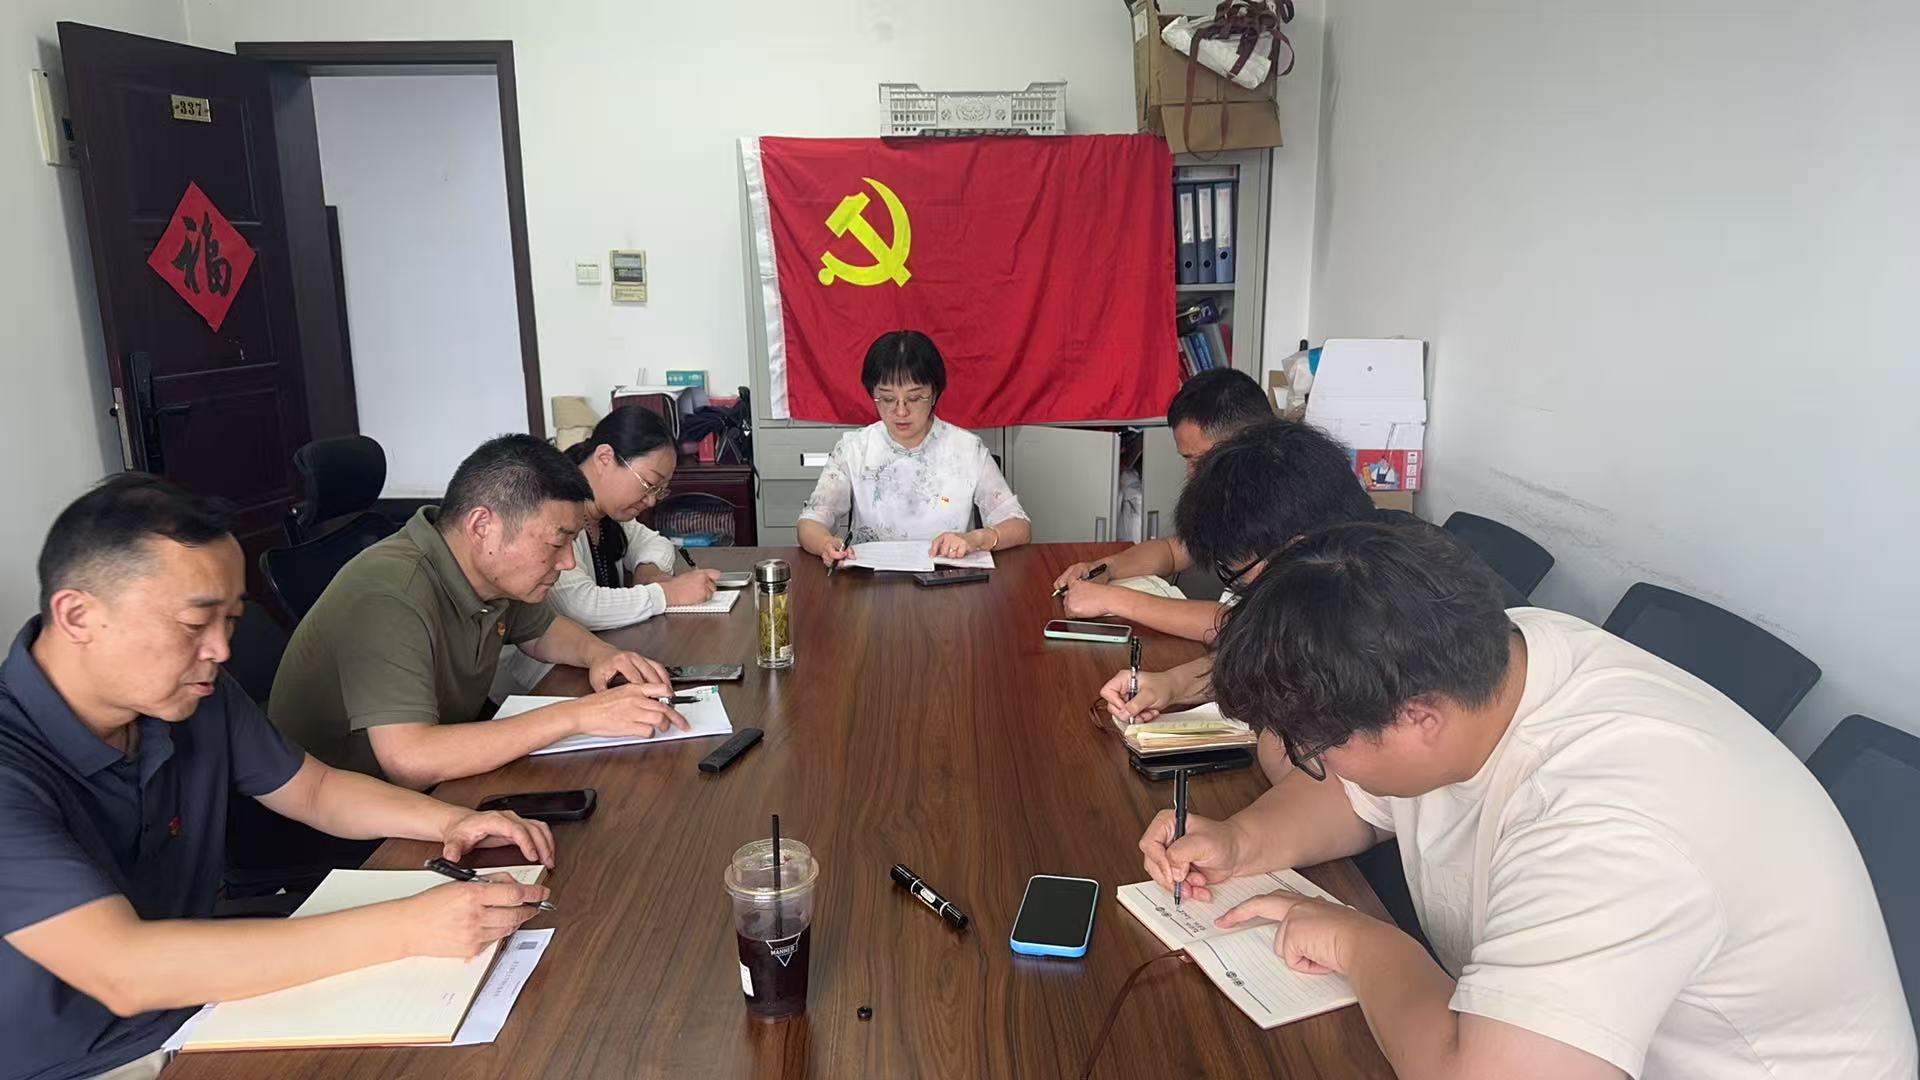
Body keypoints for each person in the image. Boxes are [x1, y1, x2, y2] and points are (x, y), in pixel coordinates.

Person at [1137, 523, 1917, 1079]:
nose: (1316, 765)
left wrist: (1363, 945)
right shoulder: (1494, 656)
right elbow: (1365, 792)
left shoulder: (1613, 823)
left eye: (1315, 747)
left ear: (1418, 720)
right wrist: (1240, 842)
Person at [1, 475, 557, 1080]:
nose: (220, 650)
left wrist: (452, 820)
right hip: (84, 1061)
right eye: (194, 624)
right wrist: (409, 927)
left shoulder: (192, 696)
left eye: (230, 622)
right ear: (78, 615)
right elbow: (124, 970)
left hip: (206, 1004)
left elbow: (315, 790)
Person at [270, 434, 687, 790]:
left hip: (442, 779)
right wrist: (577, 716)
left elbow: (543, 631)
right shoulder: (389, 593)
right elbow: (409, 760)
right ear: (482, 526)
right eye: (556, 543)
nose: (566, 562)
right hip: (353, 813)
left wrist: (602, 655)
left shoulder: (488, 571)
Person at [1094, 417, 1377, 779]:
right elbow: (1267, 652)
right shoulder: (1330, 573)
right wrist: (1172, 684)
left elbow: (1330, 781)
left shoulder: (1379, 623)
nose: (1242, 591)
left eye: (1239, 576)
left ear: (1299, 550)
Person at [493, 409, 723, 695]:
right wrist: (666, 594)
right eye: (648, 484)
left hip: (593, 659)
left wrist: (649, 573)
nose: (652, 500)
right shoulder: (555, 509)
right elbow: (579, 605)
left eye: (660, 490)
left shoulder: (608, 513)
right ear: (604, 458)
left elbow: (655, 543)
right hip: (540, 681)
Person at [1052, 368, 1272, 640]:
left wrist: (1113, 599)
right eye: (1187, 460)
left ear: (1247, 444)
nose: (1192, 474)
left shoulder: (1291, 512)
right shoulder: (1234, 492)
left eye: (1199, 460)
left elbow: (1244, 626)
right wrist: (1105, 568)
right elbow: (1174, 550)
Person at [797, 330, 1031, 568]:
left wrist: (976, 539)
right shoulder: (854, 449)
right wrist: (825, 543)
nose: (901, 412)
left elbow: (1019, 526)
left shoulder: (967, 449)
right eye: (887, 399)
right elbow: (811, 521)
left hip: (949, 580)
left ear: (934, 394)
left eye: (915, 398)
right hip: (870, 581)